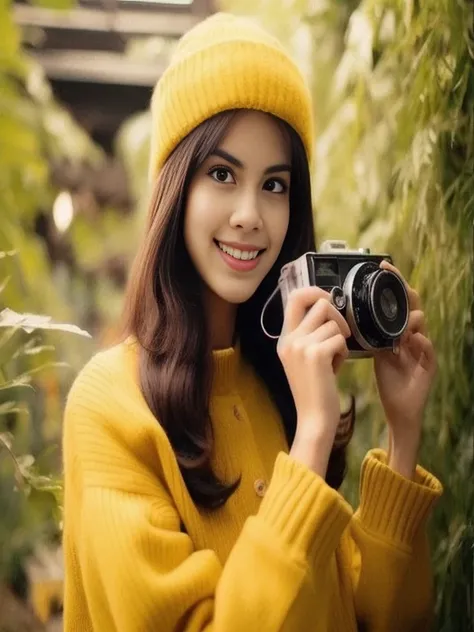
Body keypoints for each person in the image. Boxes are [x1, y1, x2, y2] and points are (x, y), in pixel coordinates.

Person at [62, 12, 443, 632]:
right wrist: (313, 437)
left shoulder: (277, 382)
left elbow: (373, 616)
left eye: (274, 184)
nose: (250, 214)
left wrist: (402, 437)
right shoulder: (108, 407)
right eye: (221, 174)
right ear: (175, 188)